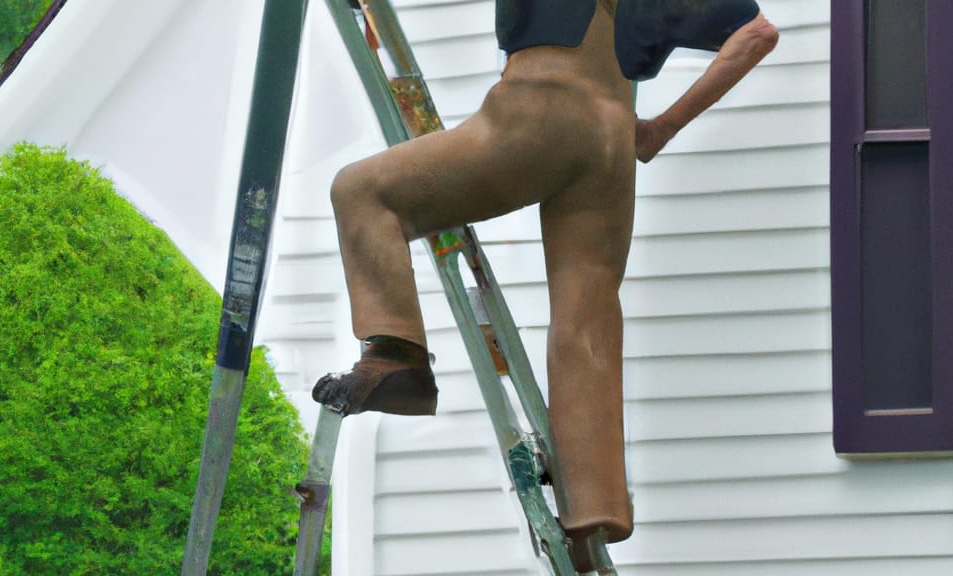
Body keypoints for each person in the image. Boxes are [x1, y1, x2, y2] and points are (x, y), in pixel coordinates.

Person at [313, 0, 777, 562]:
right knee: (587, 321)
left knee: (363, 191)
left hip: (542, 109)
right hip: (609, 142)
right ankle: (591, 525)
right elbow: (756, 33)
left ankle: (395, 356)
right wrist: (659, 130)